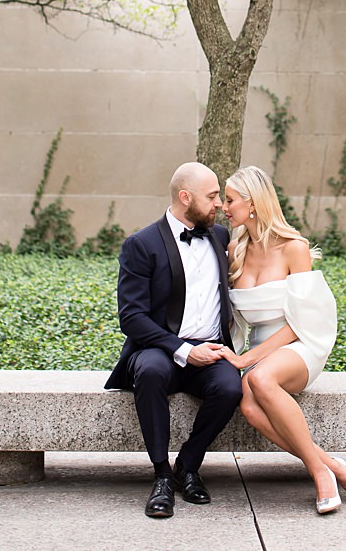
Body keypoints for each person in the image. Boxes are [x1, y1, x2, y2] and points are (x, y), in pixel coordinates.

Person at [215, 164, 346, 514]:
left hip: (300, 344)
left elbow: (303, 320)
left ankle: (318, 473)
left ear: (252, 203)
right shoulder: (234, 251)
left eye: (230, 200)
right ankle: (335, 467)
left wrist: (245, 361)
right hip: (259, 349)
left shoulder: (293, 248)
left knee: (260, 378)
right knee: (249, 404)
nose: (225, 208)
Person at [104, 161, 242, 519]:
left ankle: (188, 465)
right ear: (185, 197)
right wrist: (183, 349)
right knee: (148, 372)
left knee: (230, 387)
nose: (219, 205)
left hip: (211, 348)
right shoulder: (141, 244)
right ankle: (162, 475)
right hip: (161, 350)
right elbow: (131, 318)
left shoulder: (220, 237)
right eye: (212, 196)